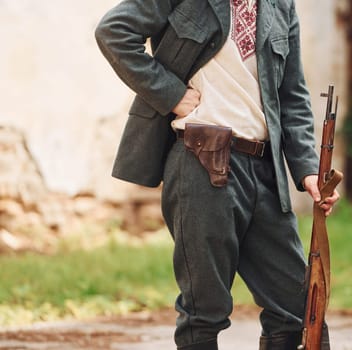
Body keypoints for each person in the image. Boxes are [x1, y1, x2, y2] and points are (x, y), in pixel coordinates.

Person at [95, 0, 339, 349]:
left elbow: (292, 96)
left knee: (298, 309)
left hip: (265, 170)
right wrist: (172, 94)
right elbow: (113, 32)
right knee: (204, 310)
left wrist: (307, 170)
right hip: (200, 161)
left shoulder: (280, 6)